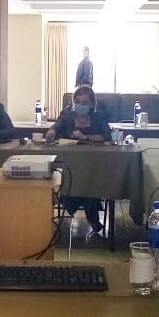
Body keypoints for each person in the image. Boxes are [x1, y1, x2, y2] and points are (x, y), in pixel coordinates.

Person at [45, 86, 112, 234]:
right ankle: (90, 215)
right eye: (78, 101)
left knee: (90, 183)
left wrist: (85, 137)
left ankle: (90, 215)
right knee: (71, 181)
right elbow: (56, 126)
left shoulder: (98, 116)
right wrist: (51, 132)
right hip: (70, 165)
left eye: (85, 102)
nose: (81, 105)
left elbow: (107, 136)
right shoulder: (67, 115)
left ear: (92, 104)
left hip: (92, 164)